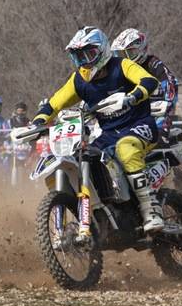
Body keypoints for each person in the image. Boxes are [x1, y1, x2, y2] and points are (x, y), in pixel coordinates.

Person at [33, 26, 163, 232]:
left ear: (102, 51)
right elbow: (54, 103)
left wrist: (134, 96)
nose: (84, 61)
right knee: (85, 155)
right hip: (109, 134)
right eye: (78, 57)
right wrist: (38, 121)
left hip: (139, 125)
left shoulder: (122, 65)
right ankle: (103, 210)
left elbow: (149, 80)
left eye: (89, 54)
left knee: (126, 149)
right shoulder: (79, 80)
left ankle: (151, 210)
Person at [111, 28, 178, 141]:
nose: (125, 59)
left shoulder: (153, 64)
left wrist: (167, 102)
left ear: (141, 49)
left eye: (130, 53)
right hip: (130, 112)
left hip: (154, 109)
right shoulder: (120, 71)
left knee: (158, 130)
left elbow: (170, 82)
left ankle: (162, 135)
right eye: (120, 54)